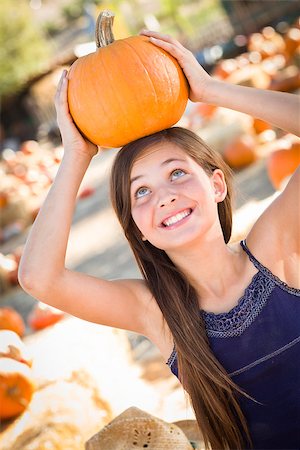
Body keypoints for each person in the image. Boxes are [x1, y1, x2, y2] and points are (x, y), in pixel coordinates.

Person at [18, 30, 300, 450]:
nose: (165, 195)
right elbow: (40, 278)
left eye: (177, 173)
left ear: (217, 184)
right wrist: (76, 154)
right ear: (138, 228)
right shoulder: (156, 312)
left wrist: (208, 89)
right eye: (141, 192)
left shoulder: (273, 249)